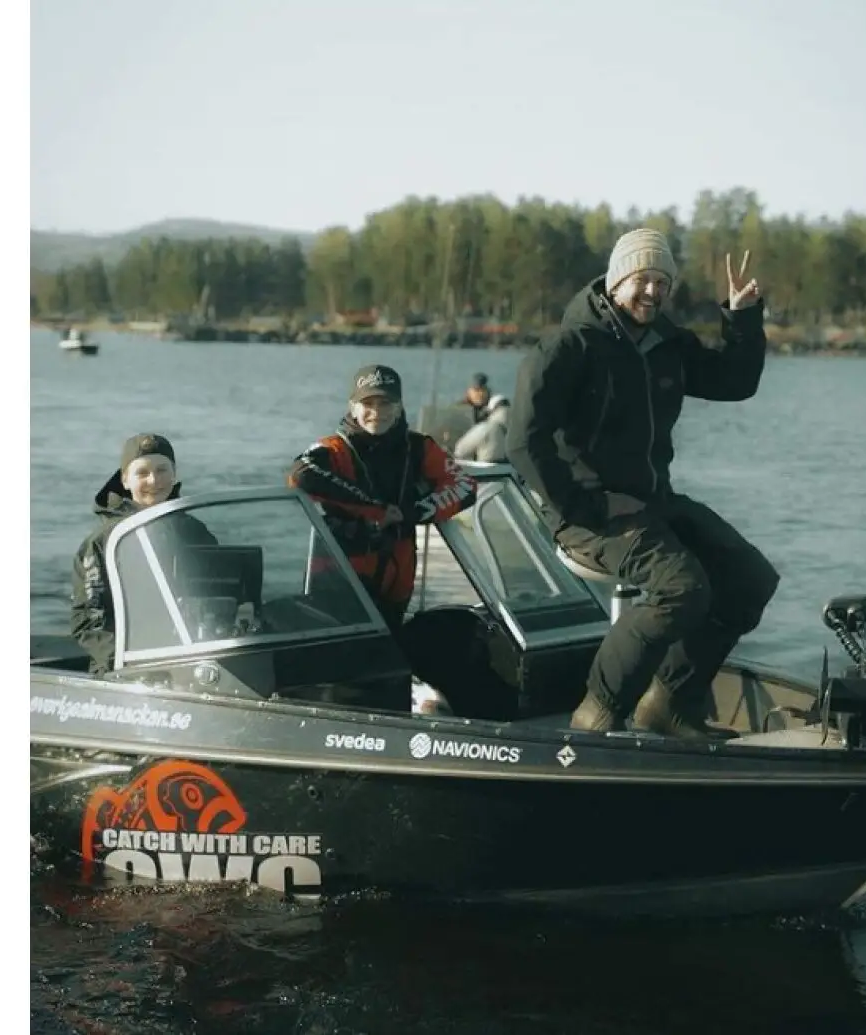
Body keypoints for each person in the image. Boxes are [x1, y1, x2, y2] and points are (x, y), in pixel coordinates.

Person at [507, 229, 780, 738]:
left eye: (662, 282)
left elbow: (735, 383)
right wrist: (584, 505)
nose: (653, 291)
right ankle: (596, 713)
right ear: (616, 282)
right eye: (642, 279)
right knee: (682, 587)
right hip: (584, 511)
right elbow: (523, 442)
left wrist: (742, 319)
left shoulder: (667, 345)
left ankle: (668, 703)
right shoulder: (568, 345)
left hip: (652, 503)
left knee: (750, 579)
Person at [288, 364, 477, 630]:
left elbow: (465, 486)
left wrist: (414, 512)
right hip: (341, 577)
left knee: (396, 647)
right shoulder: (334, 449)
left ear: (399, 407)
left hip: (398, 577)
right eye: (368, 404)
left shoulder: (419, 448)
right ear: (353, 407)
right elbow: (300, 475)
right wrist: (377, 511)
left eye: (385, 403)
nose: (377, 413)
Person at [68, 433, 212, 672]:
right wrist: (126, 663)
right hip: (123, 669)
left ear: (175, 474)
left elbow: (218, 596)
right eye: (142, 473)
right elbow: (87, 621)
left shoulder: (194, 532)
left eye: (162, 470)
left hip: (190, 660)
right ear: (125, 480)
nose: (154, 480)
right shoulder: (103, 542)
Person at [452, 393, 510, 462]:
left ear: (490, 411)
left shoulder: (485, 428)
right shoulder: (519, 429)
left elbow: (461, 451)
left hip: (488, 468)